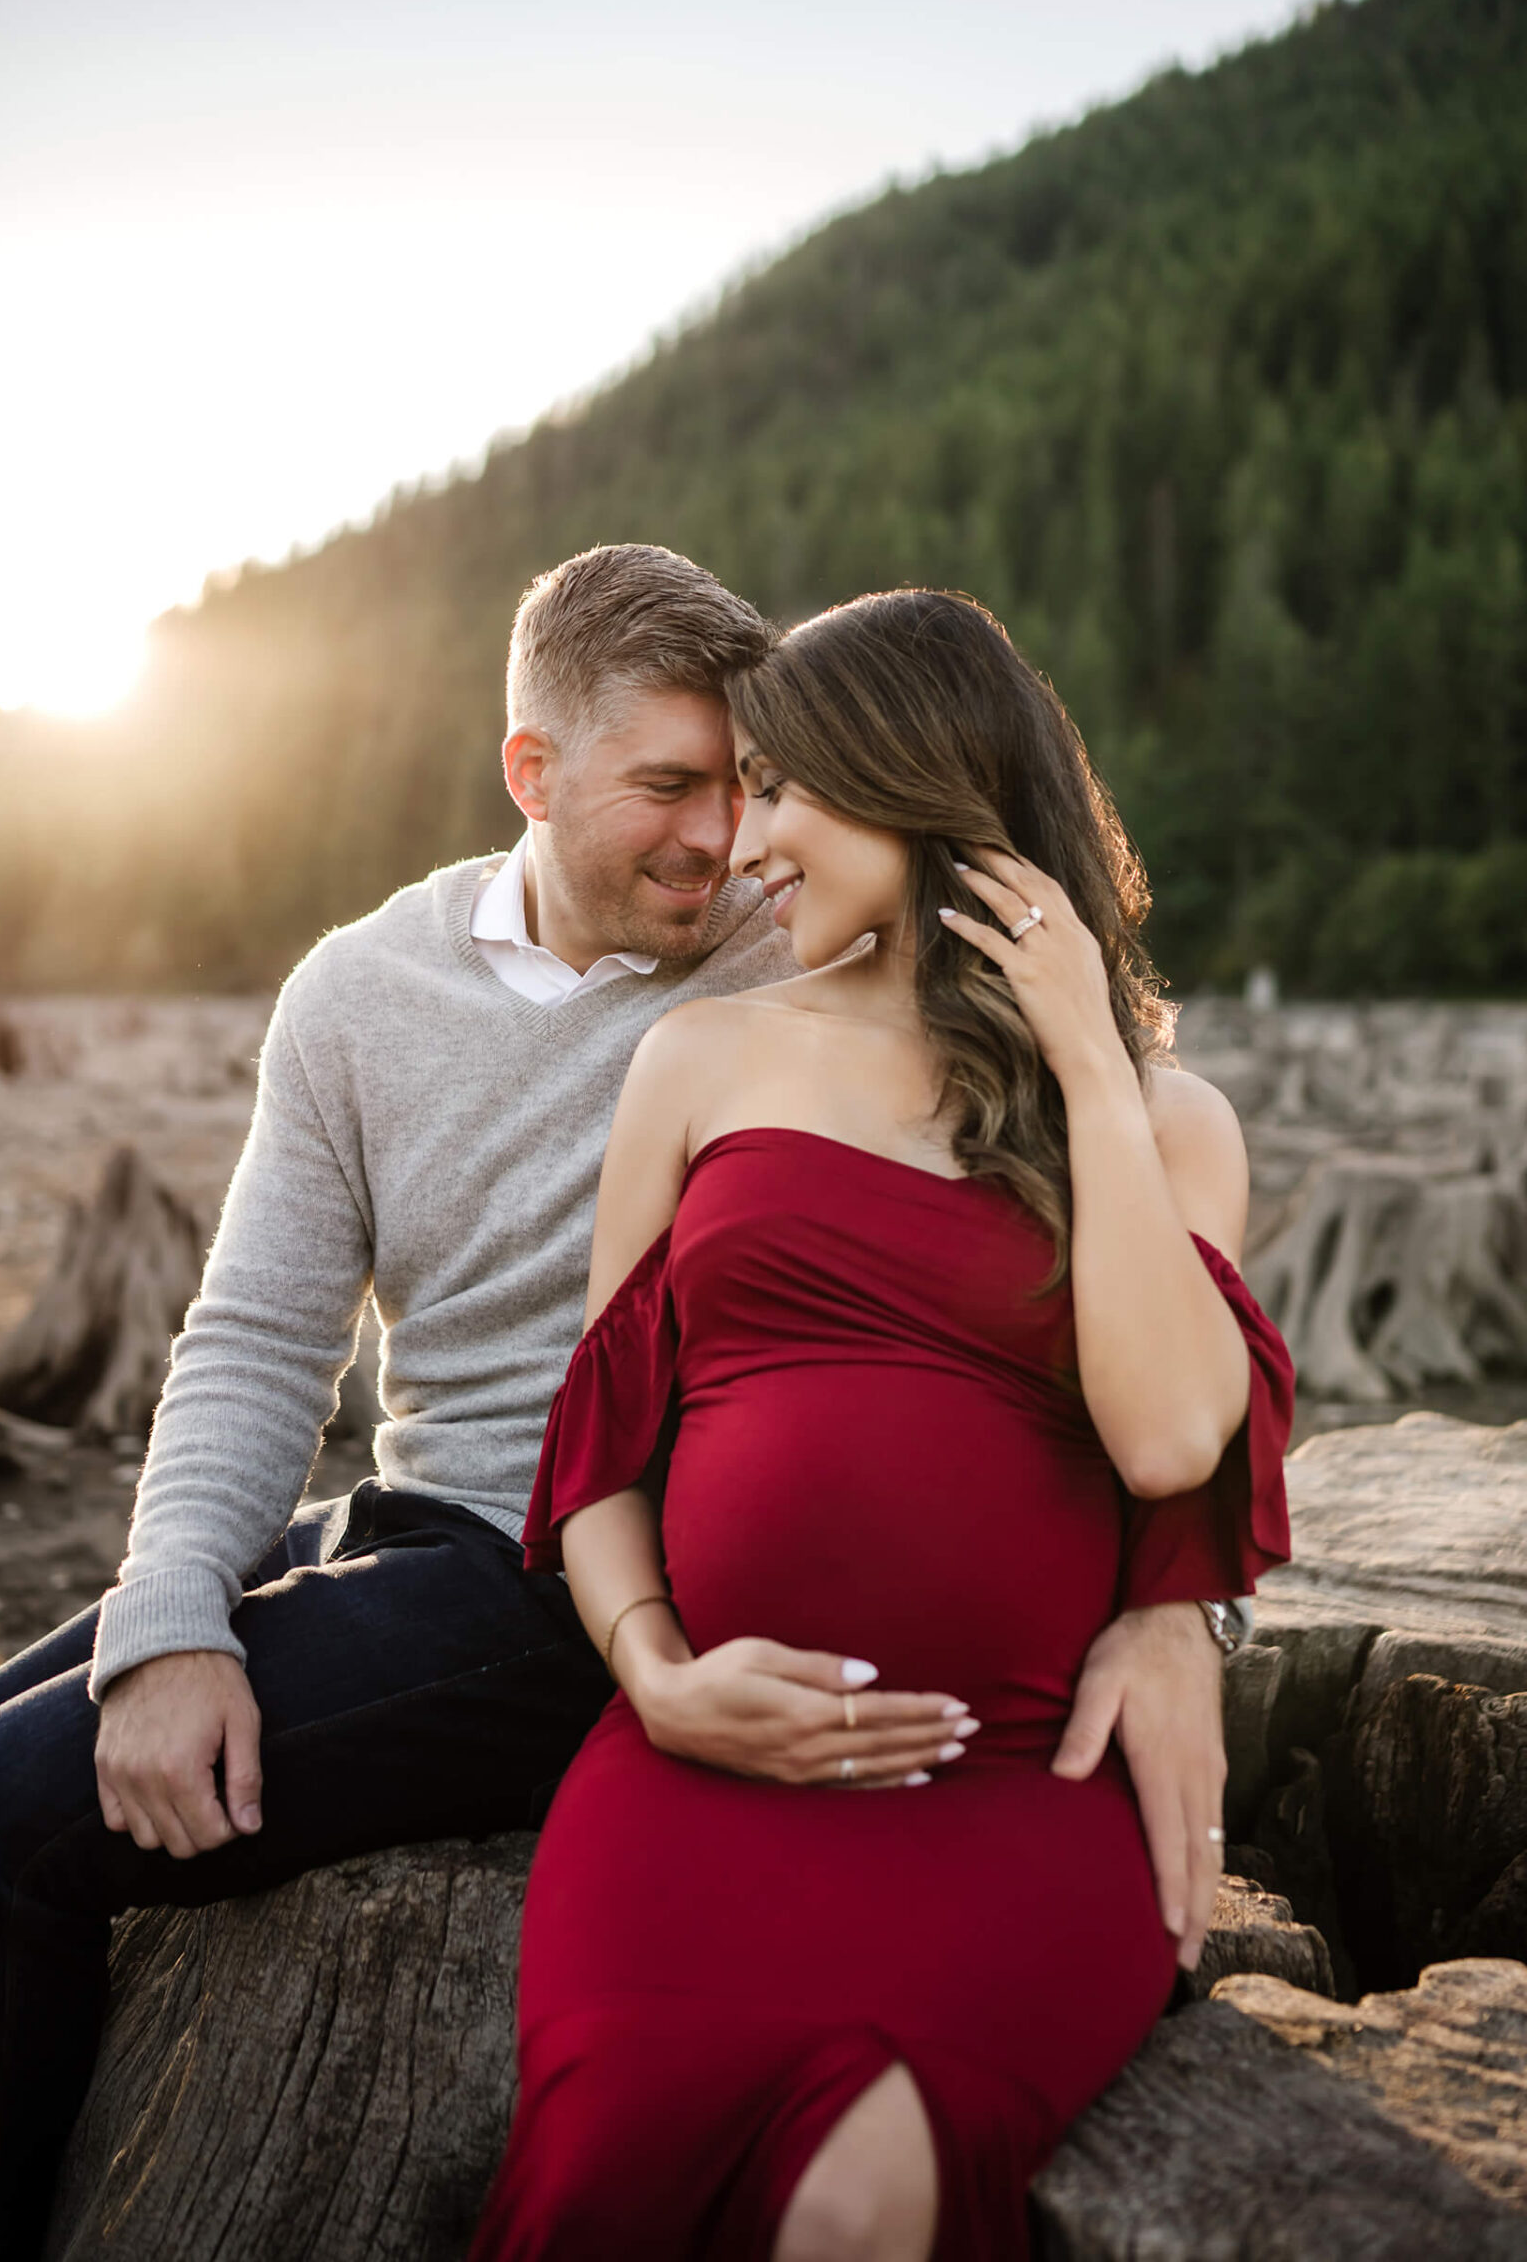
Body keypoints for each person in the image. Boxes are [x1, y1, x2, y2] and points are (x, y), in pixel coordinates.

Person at [0, 549, 1262, 2262]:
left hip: (564, 1585)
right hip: (432, 1523)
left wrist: (1183, 1607)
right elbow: (261, 1337)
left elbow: (1137, 1301)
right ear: (532, 774)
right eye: (677, 787)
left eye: (757, 785)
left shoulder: (803, 941)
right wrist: (176, 1612)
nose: (729, 842)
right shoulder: (360, 993)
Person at [469, 589, 1292, 2262]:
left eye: (782, 787)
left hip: (1012, 1782)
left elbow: (1165, 1440)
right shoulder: (702, 1060)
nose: (747, 838)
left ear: (914, 778)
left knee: (859, 2209)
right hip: (704, 1770)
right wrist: (659, 1676)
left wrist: (1082, 1056)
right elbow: (599, 1455)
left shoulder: (1163, 1121)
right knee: (606, 2176)